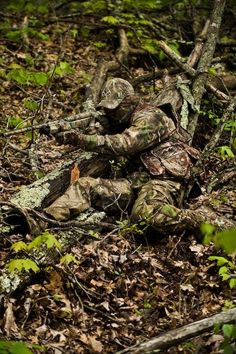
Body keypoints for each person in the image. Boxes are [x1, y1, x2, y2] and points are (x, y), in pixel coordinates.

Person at [45, 78, 234, 233]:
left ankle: (199, 219)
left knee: (144, 214)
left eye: (114, 108)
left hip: (167, 181)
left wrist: (78, 139)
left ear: (130, 101)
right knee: (86, 185)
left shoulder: (151, 117)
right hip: (135, 182)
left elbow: (124, 143)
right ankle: (45, 219)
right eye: (108, 109)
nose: (111, 112)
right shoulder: (125, 120)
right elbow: (104, 132)